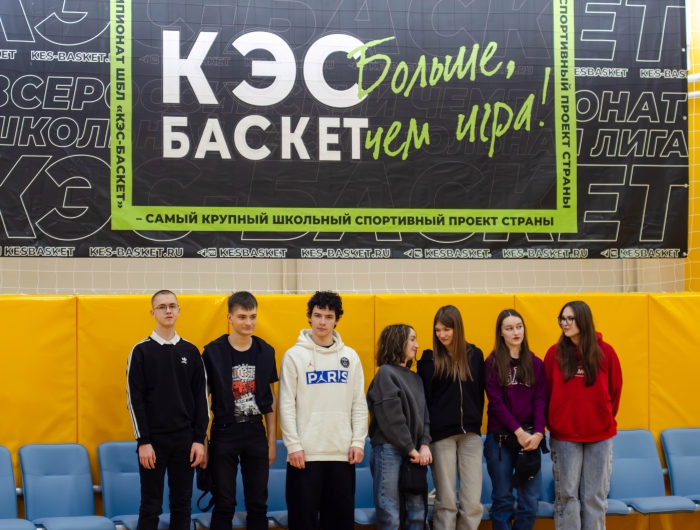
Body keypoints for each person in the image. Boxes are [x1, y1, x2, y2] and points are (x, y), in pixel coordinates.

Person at [278, 291, 368, 530]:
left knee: (340, 524)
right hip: (305, 456)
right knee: (302, 522)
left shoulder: (350, 357)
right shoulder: (294, 356)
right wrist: (293, 445)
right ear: (309, 316)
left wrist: (358, 442)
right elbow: (286, 404)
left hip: (342, 454)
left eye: (329, 317)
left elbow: (359, 404)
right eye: (318, 315)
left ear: (337, 320)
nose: (322, 322)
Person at [126, 290, 209, 530]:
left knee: (182, 505)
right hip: (153, 442)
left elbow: (201, 399)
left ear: (179, 310)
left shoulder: (191, 351)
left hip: (185, 441)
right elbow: (134, 400)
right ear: (153, 313)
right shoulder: (140, 351)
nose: (168, 310)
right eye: (162, 307)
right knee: (151, 506)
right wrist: (143, 441)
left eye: (172, 306)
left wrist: (199, 439)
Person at [201, 291, 278, 530]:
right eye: (242, 316)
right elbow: (202, 401)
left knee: (258, 503)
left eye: (253, 316)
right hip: (224, 432)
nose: (248, 322)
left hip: (256, 431)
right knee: (224, 503)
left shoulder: (266, 351)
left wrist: (272, 440)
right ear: (230, 318)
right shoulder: (212, 352)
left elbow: (271, 399)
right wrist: (202, 440)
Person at [544, 301, 623, 530]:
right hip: (564, 435)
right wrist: (556, 418)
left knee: (594, 496)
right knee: (567, 496)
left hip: (600, 434)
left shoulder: (606, 352)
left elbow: (615, 390)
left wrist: (602, 416)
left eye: (570, 319)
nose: (565, 323)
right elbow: (546, 391)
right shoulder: (554, 353)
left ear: (583, 320)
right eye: (562, 319)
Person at [417, 305, 485, 530]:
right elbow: (424, 402)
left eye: (447, 329)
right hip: (441, 436)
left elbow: (479, 393)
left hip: (471, 435)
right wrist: (426, 438)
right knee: (446, 501)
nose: (442, 335)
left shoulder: (475, 355)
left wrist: (475, 422)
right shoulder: (428, 360)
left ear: (457, 328)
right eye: (438, 330)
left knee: (472, 503)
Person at [484, 309, 547, 530]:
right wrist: (518, 432)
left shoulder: (536, 363)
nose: (515, 332)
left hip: (530, 440)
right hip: (500, 440)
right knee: (502, 500)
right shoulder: (492, 363)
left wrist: (538, 433)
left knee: (530, 503)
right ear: (501, 333)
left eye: (519, 327)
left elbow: (540, 400)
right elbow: (496, 403)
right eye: (509, 328)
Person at [367, 325, 432, 530]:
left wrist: (425, 445)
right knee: (390, 516)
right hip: (389, 451)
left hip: (414, 453)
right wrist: (412, 449)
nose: (417, 345)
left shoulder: (416, 378)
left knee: (417, 515)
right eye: (412, 339)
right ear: (398, 341)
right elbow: (391, 418)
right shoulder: (385, 373)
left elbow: (425, 415)